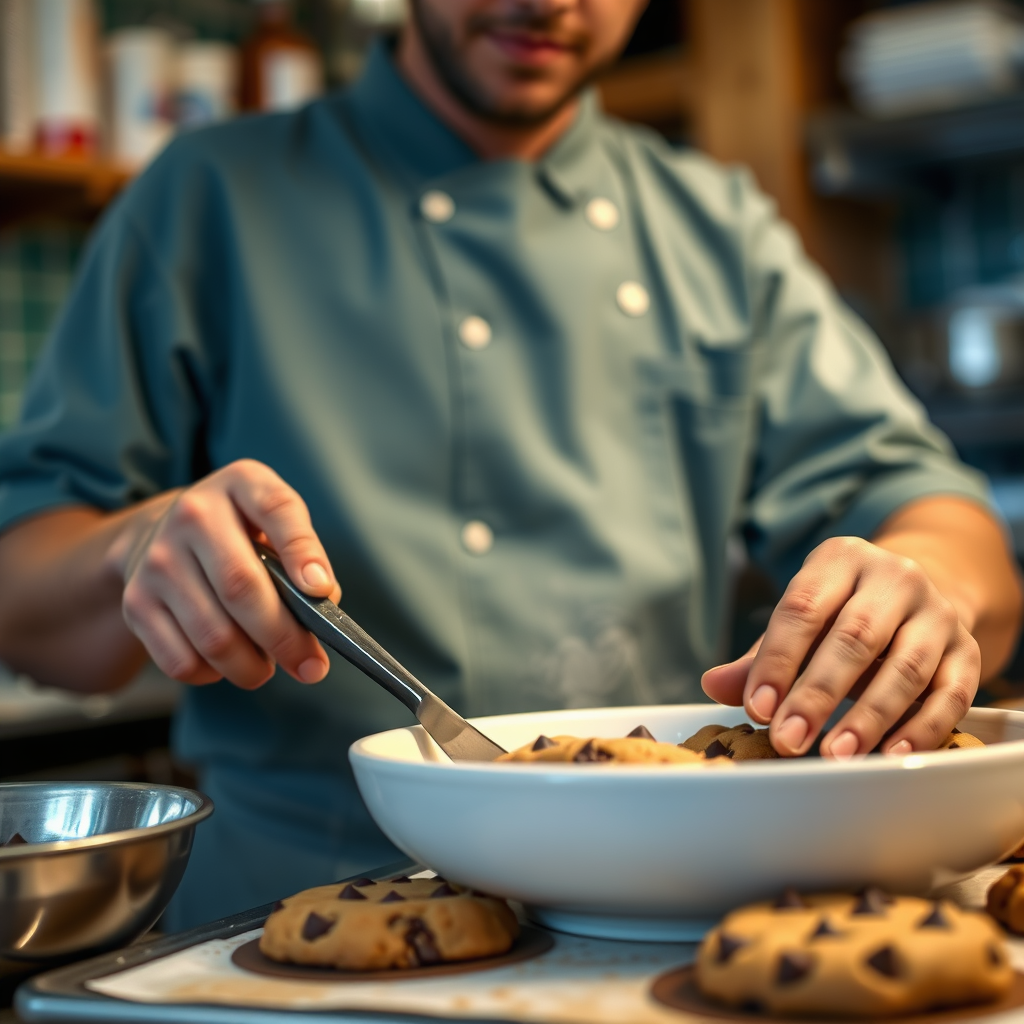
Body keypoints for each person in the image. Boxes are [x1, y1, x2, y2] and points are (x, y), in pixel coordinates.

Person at [0, 0, 1020, 928]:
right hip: (288, 910)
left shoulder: (716, 228)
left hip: (662, 910)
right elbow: (25, 600)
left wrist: (923, 588)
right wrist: (131, 547)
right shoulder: (206, 197)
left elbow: (936, 518)